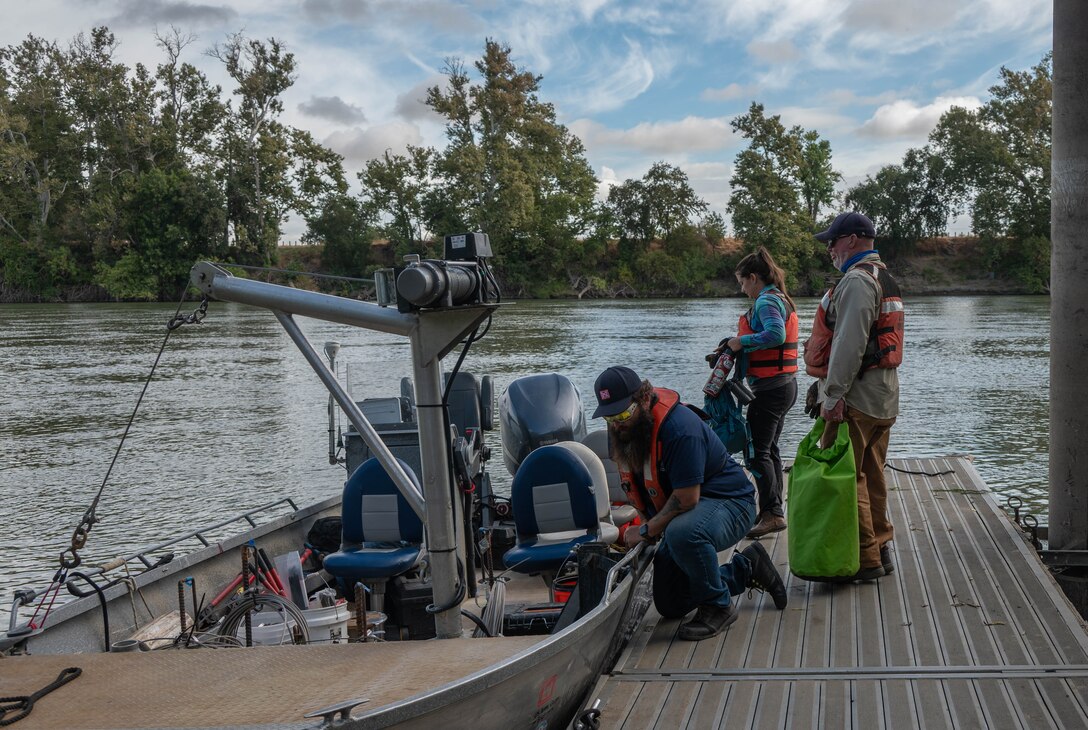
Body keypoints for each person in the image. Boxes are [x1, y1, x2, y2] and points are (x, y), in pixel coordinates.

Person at [593, 365, 788, 641]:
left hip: (732, 503)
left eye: (623, 414)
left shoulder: (679, 428)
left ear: (644, 399)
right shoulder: (622, 431)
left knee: (683, 533)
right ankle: (746, 568)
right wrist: (645, 521)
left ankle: (719, 608)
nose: (617, 424)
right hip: (690, 512)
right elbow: (638, 488)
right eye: (609, 417)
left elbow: (686, 499)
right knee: (671, 603)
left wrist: (646, 532)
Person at [808, 211, 903, 581]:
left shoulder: (857, 281)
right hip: (883, 397)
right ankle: (881, 547)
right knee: (873, 475)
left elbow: (848, 345)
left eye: (832, 241)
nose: (829, 248)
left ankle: (866, 560)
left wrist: (832, 396)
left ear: (850, 240)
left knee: (850, 478)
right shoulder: (886, 277)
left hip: (858, 399)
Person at [723, 247, 799, 539]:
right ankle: (772, 508)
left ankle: (772, 514)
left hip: (771, 390)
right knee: (770, 450)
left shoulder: (767, 301)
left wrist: (741, 341)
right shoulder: (779, 297)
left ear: (753, 277)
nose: (742, 289)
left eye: (742, 282)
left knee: (756, 454)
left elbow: (775, 335)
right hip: (783, 385)